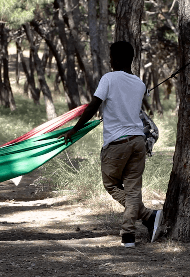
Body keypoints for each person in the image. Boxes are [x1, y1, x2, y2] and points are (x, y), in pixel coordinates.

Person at [60, 41, 162, 248]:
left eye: (110, 56)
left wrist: (74, 129)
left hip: (117, 143)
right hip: (138, 141)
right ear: (132, 59)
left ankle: (148, 217)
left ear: (115, 59)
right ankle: (130, 236)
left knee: (111, 184)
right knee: (133, 190)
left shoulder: (109, 78)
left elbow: (92, 107)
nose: (109, 59)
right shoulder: (139, 83)